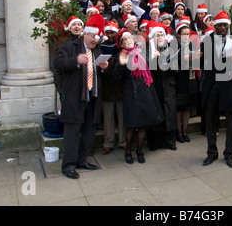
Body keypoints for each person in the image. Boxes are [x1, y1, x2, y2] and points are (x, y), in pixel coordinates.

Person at [55, 13, 109, 179]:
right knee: (72, 133)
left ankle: (82, 160)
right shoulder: (68, 47)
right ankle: (69, 165)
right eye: (92, 37)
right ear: (85, 33)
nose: (95, 41)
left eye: (97, 38)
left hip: (92, 98)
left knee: (88, 132)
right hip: (74, 98)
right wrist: (76, 60)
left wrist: (104, 67)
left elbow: (101, 73)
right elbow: (58, 64)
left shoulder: (97, 50)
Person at [200, 10, 232, 168]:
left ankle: (229, 153)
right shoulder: (207, 40)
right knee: (210, 121)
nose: (223, 28)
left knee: (231, 121)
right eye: (220, 25)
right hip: (212, 85)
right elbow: (203, 65)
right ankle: (211, 153)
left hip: (230, 85)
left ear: (229, 26)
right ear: (215, 26)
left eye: (225, 25)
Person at [114, 28, 164, 164]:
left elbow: (150, 67)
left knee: (143, 124)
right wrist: (121, 64)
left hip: (145, 90)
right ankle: (128, 150)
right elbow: (116, 76)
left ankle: (140, 150)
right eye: (126, 39)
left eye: (130, 38)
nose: (129, 40)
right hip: (131, 92)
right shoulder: (122, 55)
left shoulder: (141, 52)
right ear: (122, 44)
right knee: (131, 124)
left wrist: (157, 57)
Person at [146, 21, 178, 151]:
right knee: (154, 114)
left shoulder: (170, 49)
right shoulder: (147, 50)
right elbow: (147, 67)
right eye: (157, 35)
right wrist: (156, 59)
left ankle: (170, 141)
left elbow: (176, 70)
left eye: (161, 35)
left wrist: (170, 66)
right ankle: (154, 142)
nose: (159, 37)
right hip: (153, 88)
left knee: (169, 115)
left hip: (168, 87)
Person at [100, 21, 126, 155]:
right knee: (108, 118)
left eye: (112, 33)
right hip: (107, 86)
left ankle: (123, 141)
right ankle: (108, 143)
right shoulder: (101, 47)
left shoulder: (122, 47)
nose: (110, 35)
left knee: (122, 116)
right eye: (108, 33)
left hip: (120, 86)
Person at [175, 23, 199, 143]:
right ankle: (178, 132)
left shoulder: (191, 44)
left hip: (191, 78)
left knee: (188, 108)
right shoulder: (175, 45)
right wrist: (183, 58)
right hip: (180, 80)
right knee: (179, 108)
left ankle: (185, 131)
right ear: (179, 35)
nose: (186, 37)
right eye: (183, 34)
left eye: (188, 34)